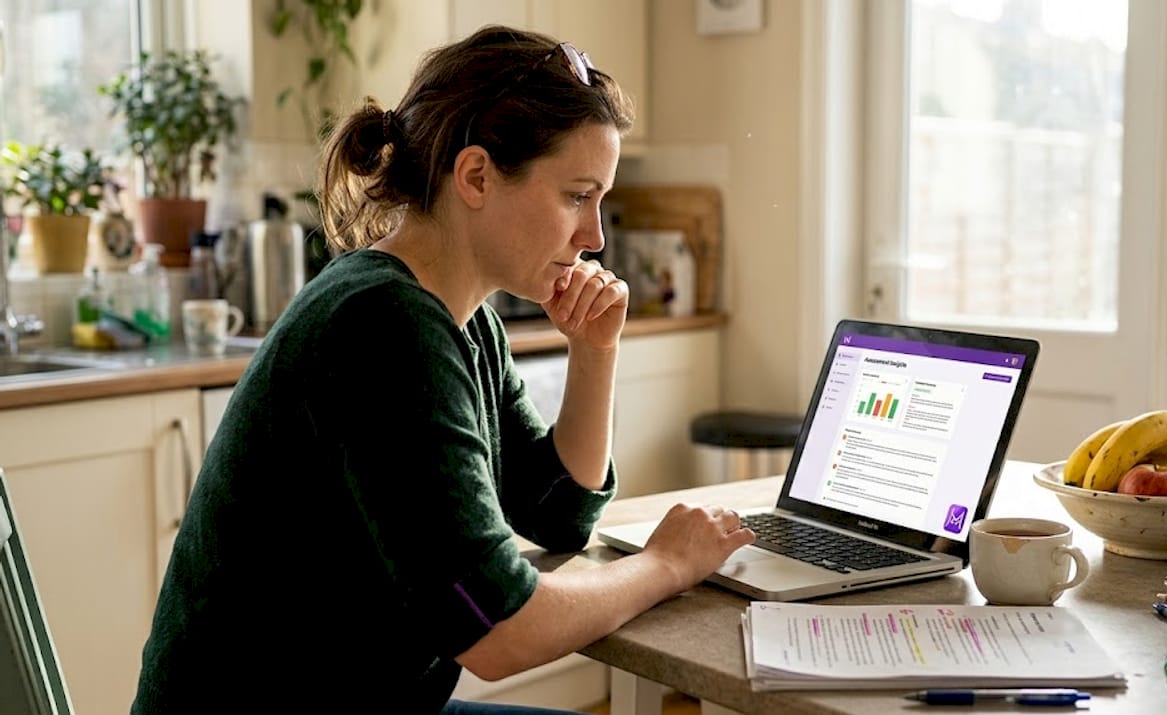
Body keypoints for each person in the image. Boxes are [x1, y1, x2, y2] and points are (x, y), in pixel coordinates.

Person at [132, 25, 754, 714]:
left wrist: (595, 350)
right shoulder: (382, 325)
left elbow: (555, 510)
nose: (595, 236)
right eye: (578, 195)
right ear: (477, 176)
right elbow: (495, 629)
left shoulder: (461, 317)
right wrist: (665, 564)